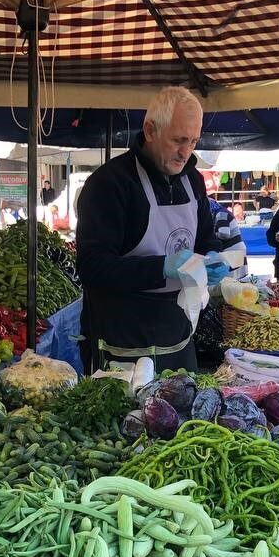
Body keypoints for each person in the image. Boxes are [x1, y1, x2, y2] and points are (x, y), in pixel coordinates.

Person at [75, 86, 228, 372]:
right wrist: (162, 268)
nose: (186, 152)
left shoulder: (192, 180)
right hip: (121, 341)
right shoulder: (110, 184)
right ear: (150, 130)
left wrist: (212, 256)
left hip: (178, 335)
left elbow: (206, 237)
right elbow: (92, 266)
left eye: (193, 141)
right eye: (178, 140)